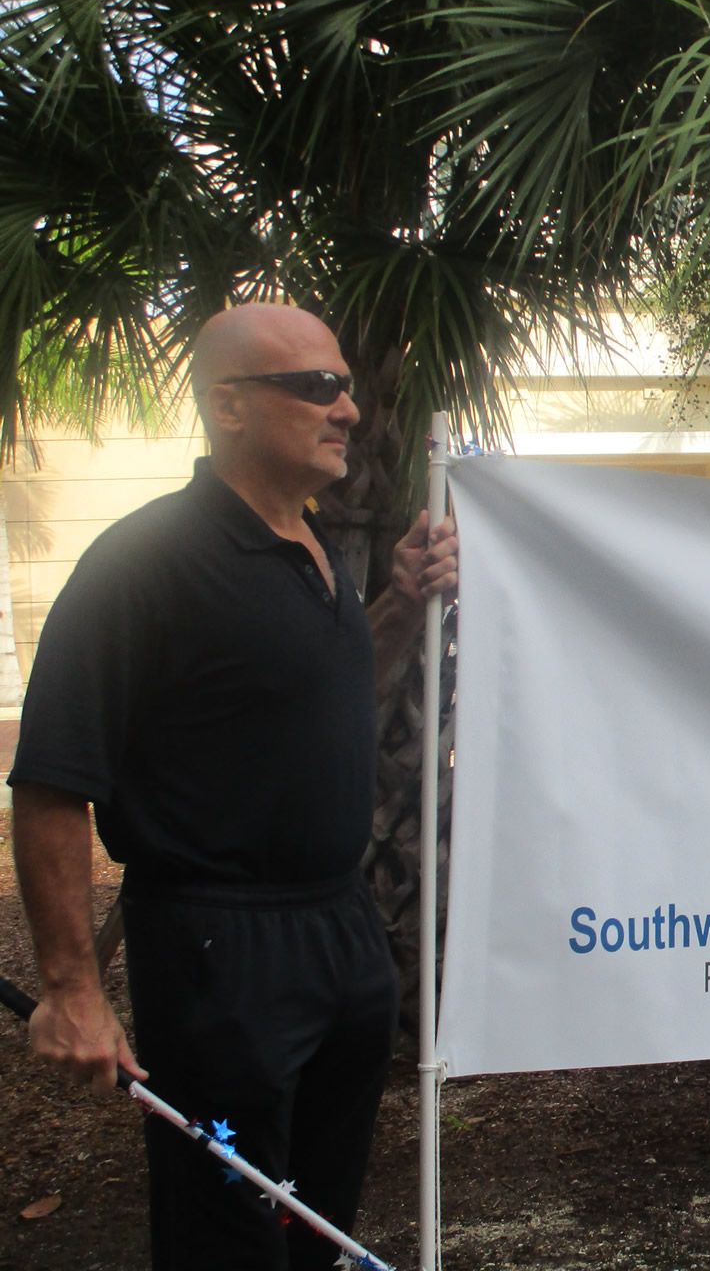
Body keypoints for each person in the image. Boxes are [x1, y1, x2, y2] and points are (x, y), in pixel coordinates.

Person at [9, 303, 456, 1269]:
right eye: (316, 387)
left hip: (340, 931)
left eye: (346, 385)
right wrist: (70, 987)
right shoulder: (144, 562)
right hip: (221, 949)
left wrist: (400, 602)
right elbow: (50, 782)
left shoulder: (318, 550)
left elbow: (337, 686)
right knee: (229, 1228)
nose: (348, 409)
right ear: (229, 407)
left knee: (318, 1220)